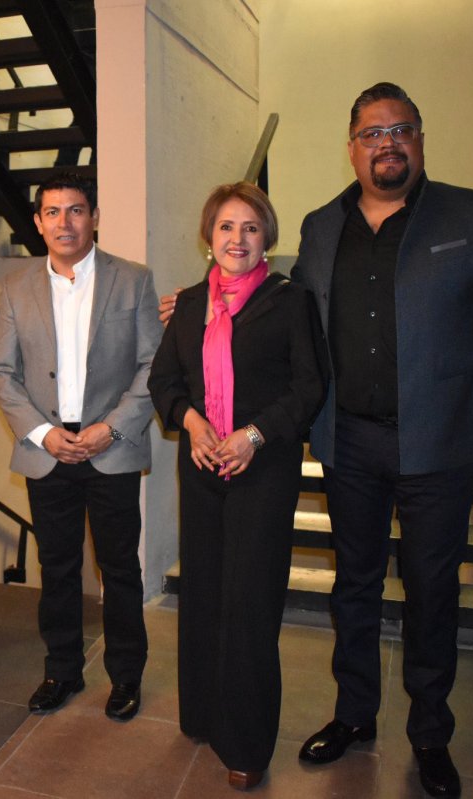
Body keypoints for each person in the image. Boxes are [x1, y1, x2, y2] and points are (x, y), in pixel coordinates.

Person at [291, 83, 473, 798]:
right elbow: (291, 317)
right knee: (354, 585)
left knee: (431, 592)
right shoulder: (320, 226)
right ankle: (355, 713)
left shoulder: (472, 216)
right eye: (372, 132)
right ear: (352, 147)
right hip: (348, 441)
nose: (387, 142)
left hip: (439, 443)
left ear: (420, 139)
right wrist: (207, 302)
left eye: (401, 129)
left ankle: (430, 733)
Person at [148, 182, 326, 790]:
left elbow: (309, 386)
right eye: (226, 226)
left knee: (249, 602)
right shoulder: (189, 305)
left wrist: (253, 435)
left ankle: (246, 743)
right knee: (202, 594)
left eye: (250, 227)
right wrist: (193, 423)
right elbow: (165, 381)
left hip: (263, 469)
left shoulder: (290, 301)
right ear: (209, 237)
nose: (237, 238)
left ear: (266, 238)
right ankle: (202, 715)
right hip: (202, 466)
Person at [0, 171, 161, 721]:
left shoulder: (133, 280)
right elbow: (1, 372)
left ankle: (126, 676)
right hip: (48, 451)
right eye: (53, 212)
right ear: (38, 222)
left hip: (111, 448)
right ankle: (61, 670)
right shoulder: (16, 287)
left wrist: (111, 427)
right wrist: (43, 434)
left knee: (120, 569)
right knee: (56, 567)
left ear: (95, 217)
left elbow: (152, 365)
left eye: (77, 210)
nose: (65, 222)